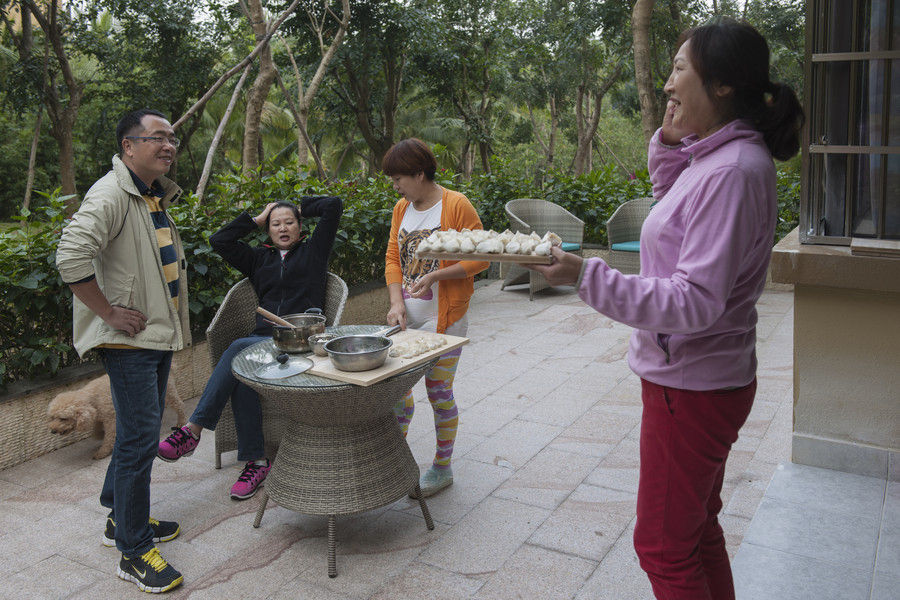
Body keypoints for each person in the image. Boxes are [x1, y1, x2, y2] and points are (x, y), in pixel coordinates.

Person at [528, 19, 803, 600]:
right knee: (696, 532)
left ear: (722, 84)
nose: (669, 83)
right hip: (704, 378)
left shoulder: (729, 172)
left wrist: (586, 275)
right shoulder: (720, 160)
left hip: (694, 386)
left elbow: (695, 300)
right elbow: (672, 211)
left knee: (662, 548)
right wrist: (670, 142)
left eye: (680, 68)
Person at [56, 108, 190, 593]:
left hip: (151, 335)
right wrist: (109, 312)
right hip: (128, 340)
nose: (168, 144)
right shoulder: (112, 193)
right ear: (127, 146)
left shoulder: (148, 194)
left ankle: (120, 519)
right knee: (137, 441)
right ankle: (133, 552)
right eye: (156, 137)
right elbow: (70, 256)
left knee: (139, 432)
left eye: (171, 136)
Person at [157, 195, 342, 500]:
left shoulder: (314, 252)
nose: (283, 228)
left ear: (300, 227)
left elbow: (333, 205)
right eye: (275, 223)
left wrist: (299, 206)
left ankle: (193, 430)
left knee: (238, 349)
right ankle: (256, 462)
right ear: (267, 230)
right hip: (266, 342)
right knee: (242, 376)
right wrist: (254, 219)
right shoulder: (259, 259)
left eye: (290, 222)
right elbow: (219, 240)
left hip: (302, 342)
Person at [383, 138, 489, 497]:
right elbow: (393, 260)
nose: (395, 186)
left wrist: (436, 276)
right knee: (399, 392)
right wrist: (396, 303)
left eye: (399, 179)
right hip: (407, 320)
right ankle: (395, 463)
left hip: (446, 321)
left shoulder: (456, 205)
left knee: (439, 392)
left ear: (419, 173)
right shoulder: (402, 208)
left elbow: (482, 257)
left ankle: (442, 468)